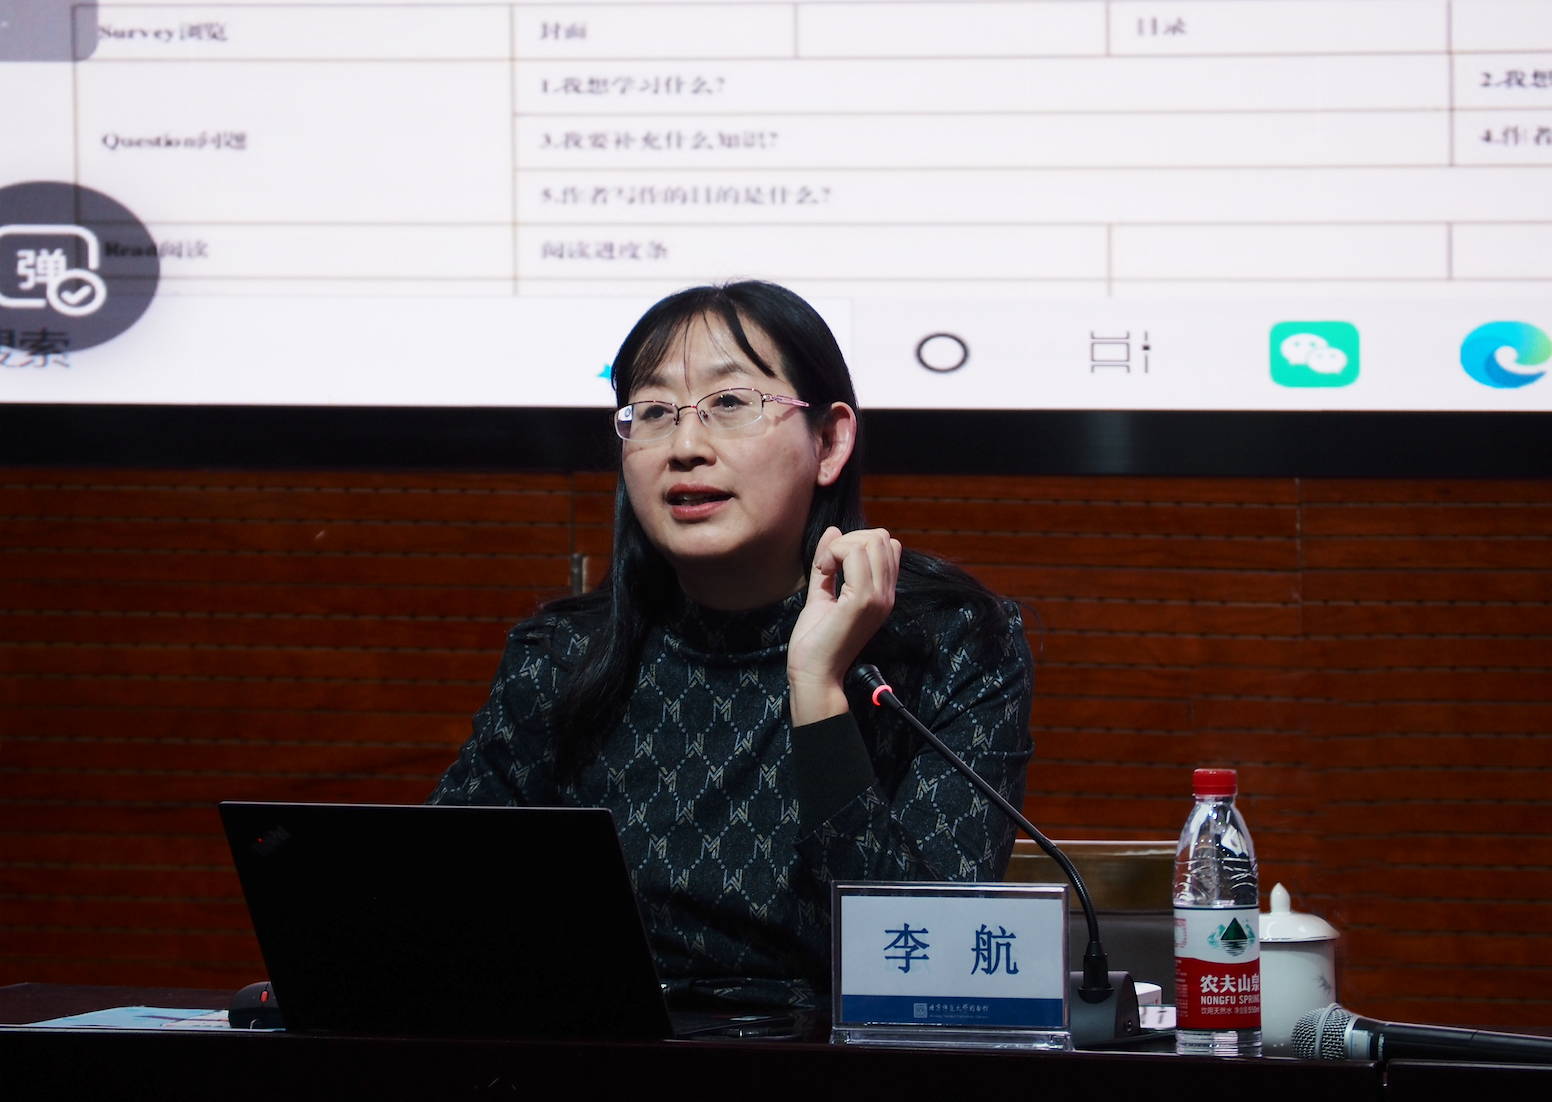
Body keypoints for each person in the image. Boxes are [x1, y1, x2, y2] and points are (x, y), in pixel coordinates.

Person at [429, 281, 1033, 1012]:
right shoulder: (561, 657)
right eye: (654, 413)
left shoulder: (951, 644)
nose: (686, 448)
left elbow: (922, 958)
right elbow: (439, 908)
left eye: (730, 403)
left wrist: (817, 686)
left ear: (829, 442)